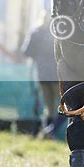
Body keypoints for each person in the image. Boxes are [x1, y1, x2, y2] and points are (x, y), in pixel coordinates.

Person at [21, 9, 63, 138]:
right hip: (58, 74)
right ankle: (51, 130)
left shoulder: (36, 31)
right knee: (64, 105)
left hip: (43, 74)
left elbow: (26, 52)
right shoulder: (60, 31)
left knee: (49, 108)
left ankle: (49, 132)